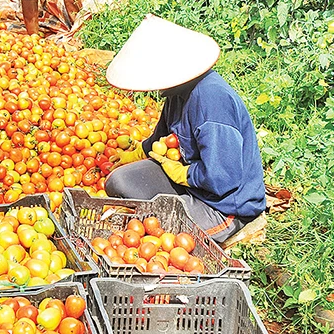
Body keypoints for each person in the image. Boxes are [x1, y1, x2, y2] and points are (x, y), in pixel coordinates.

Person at [104, 15, 266, 243]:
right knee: (118, 181)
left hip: (222, 206)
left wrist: (184, 174)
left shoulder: (211, 100)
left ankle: (194, 226)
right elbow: (161, 136)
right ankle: (164, 213)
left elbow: (223, 177)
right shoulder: (177, 92)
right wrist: (136, 154)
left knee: (158, 234)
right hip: (193, 189)